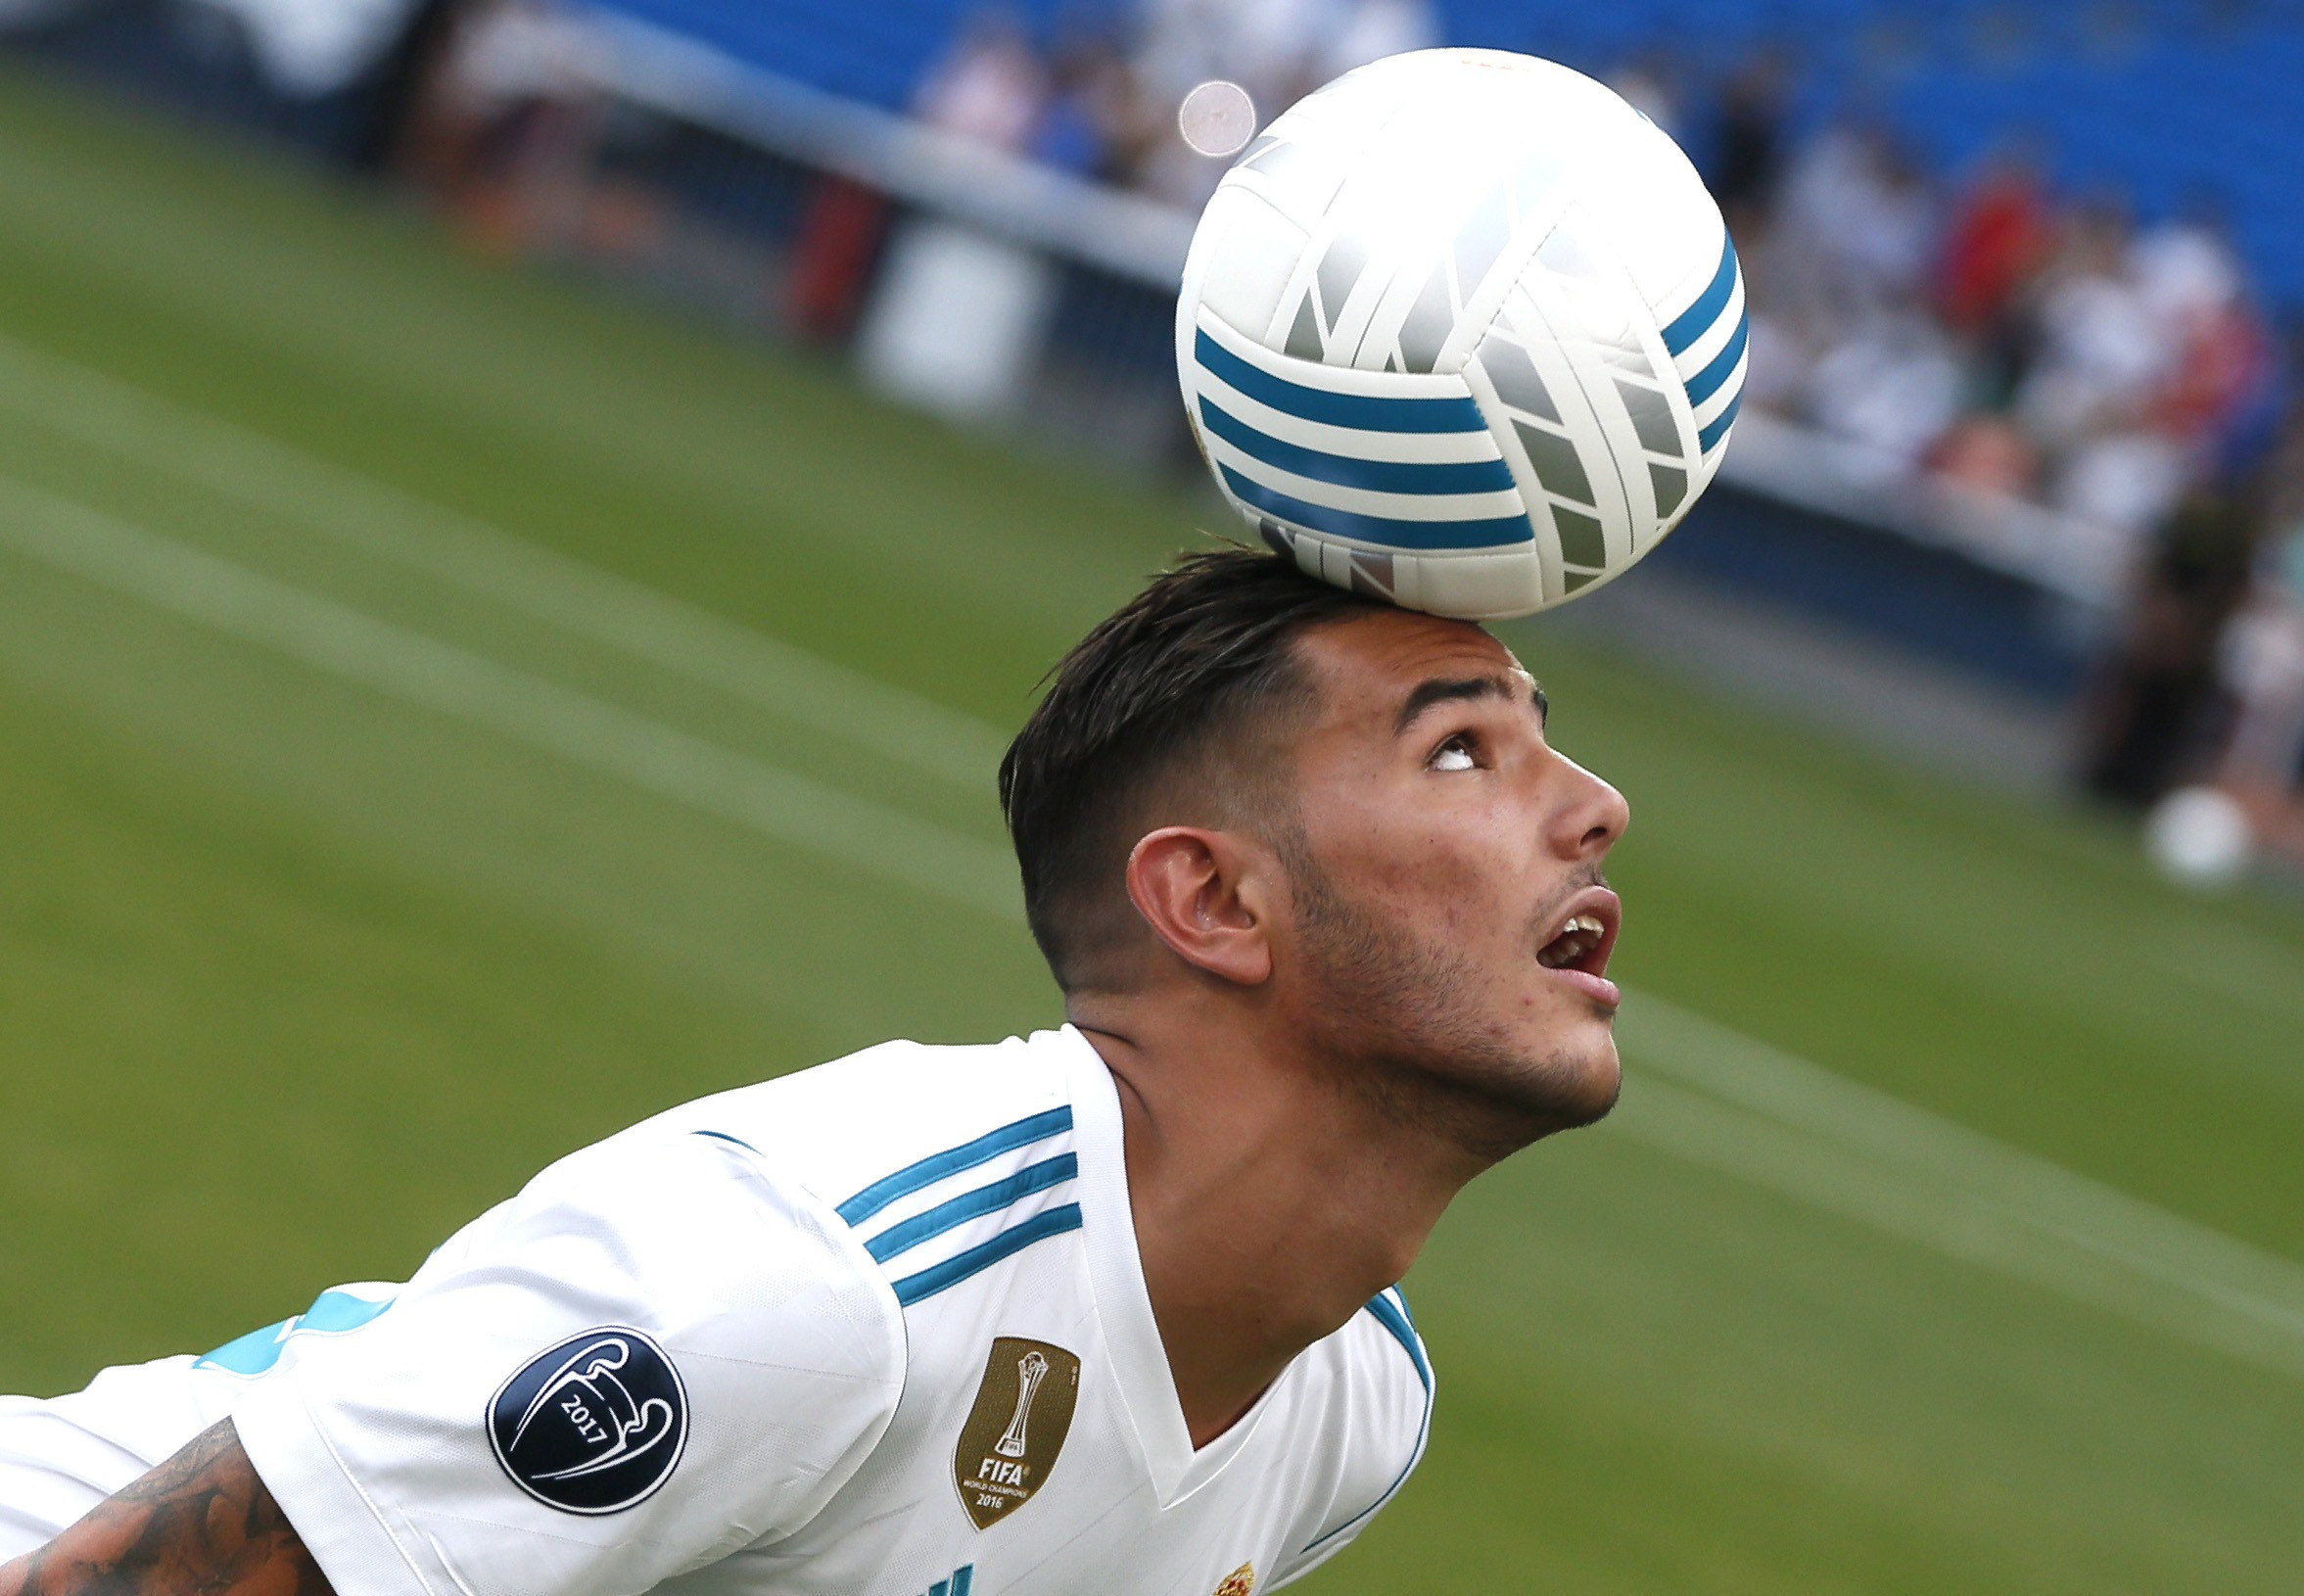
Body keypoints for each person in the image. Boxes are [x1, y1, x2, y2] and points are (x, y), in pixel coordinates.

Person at [0, 549, 1628, 1596]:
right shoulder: (817, 1280)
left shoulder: (1351, 1404)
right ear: (1209, 899)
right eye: (1464, 748)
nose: (1595, 803)